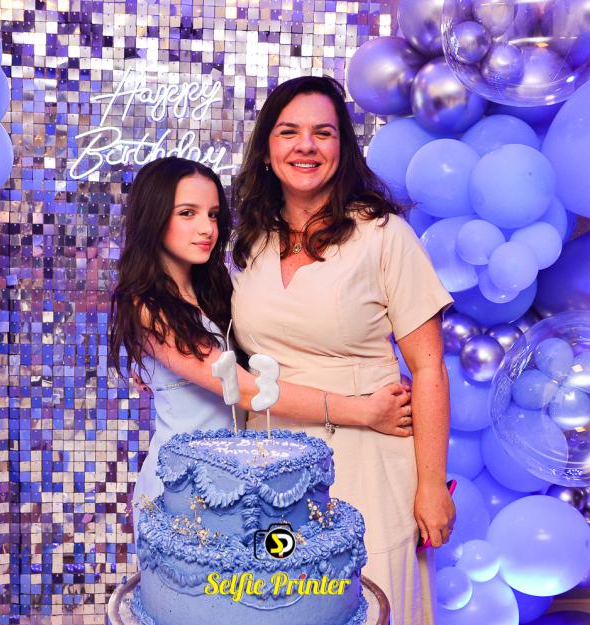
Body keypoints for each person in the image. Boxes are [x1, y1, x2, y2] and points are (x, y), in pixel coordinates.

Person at [231, 76, 455, 625]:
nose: (305, 146)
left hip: (367, 461)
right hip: (271, 464)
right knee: (281, 610)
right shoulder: (250, 242)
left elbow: (428, 367)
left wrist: (432, 485)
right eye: (289, 132)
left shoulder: (383, 235)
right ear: (266, 149)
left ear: (342, 148)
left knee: (371, 601)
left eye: (323, 133)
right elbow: (224, 351)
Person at [108, 156, 414, 539]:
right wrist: (364, 410)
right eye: (187, 213)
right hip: (183, 486)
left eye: (213, 215)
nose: (207, 228)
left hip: (231, 482)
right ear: (153, 218)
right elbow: (245, 389)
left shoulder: (212, 292)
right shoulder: (148, 307)